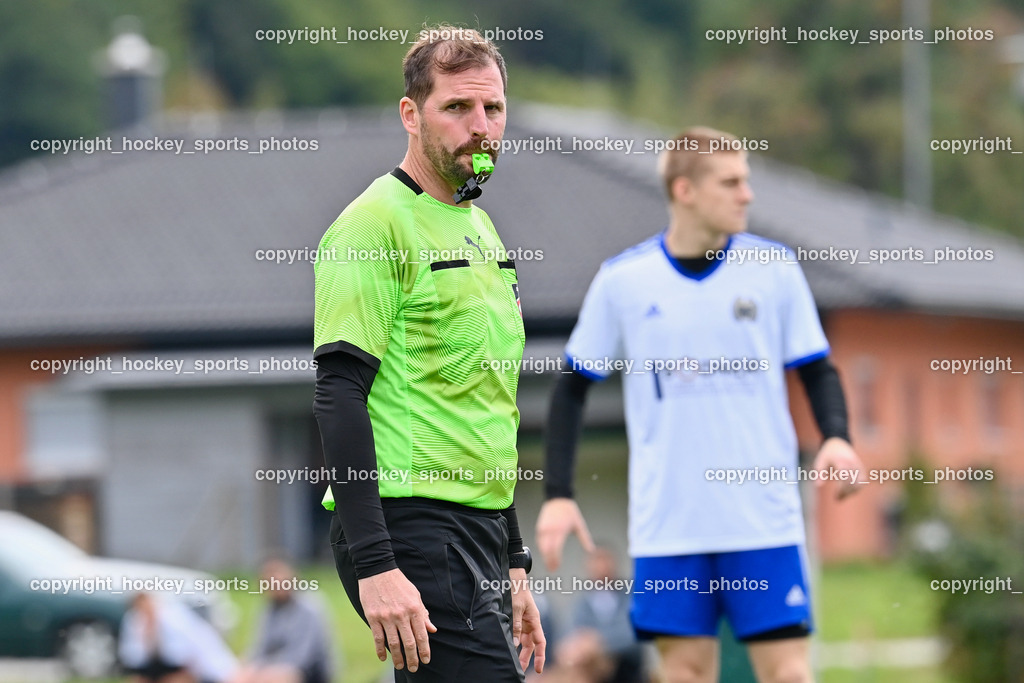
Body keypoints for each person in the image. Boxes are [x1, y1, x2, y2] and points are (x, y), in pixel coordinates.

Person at [536, 127, 863, 683]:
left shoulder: (775, 269)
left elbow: (816, 368)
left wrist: (835, 435)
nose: (747, 195)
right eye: (731, 182)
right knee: (685, 672)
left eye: (747, 181)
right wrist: (558, 496)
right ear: (684, 190)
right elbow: (570, 388)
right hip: (670, 528)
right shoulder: (624, 281)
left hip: (763, 523)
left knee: (788, 672)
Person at [312, 24, 545, 682]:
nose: (481, 126)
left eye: (493, 108)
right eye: (457, 107)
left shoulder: (483, 230)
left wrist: (515, 558)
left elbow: (484, 402)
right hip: (407, 524)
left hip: (477, 531)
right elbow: (338, 394)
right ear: (411, 114)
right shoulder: (373, 222)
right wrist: (380, 564)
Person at [236, 558, 335, 683]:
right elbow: (259, 649)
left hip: (309, 671)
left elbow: (301, 657)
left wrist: (265, 671)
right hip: (275, 666)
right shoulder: (268, 609)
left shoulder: (310, 606)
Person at [119, 592, 239, 683]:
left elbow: (185, 652)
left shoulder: (174, 618)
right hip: (153, 665)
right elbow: (131, 655)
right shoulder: (135, 621)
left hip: (183, 665)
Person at [568, 546, 645, 683]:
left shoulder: (631, 596)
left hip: (627, 668)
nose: (601, 568)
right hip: (594, 669)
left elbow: (632, 633)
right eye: (596, 562)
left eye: (604, 561)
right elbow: (576, 632)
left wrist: (597, 644)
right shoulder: (583, 602)